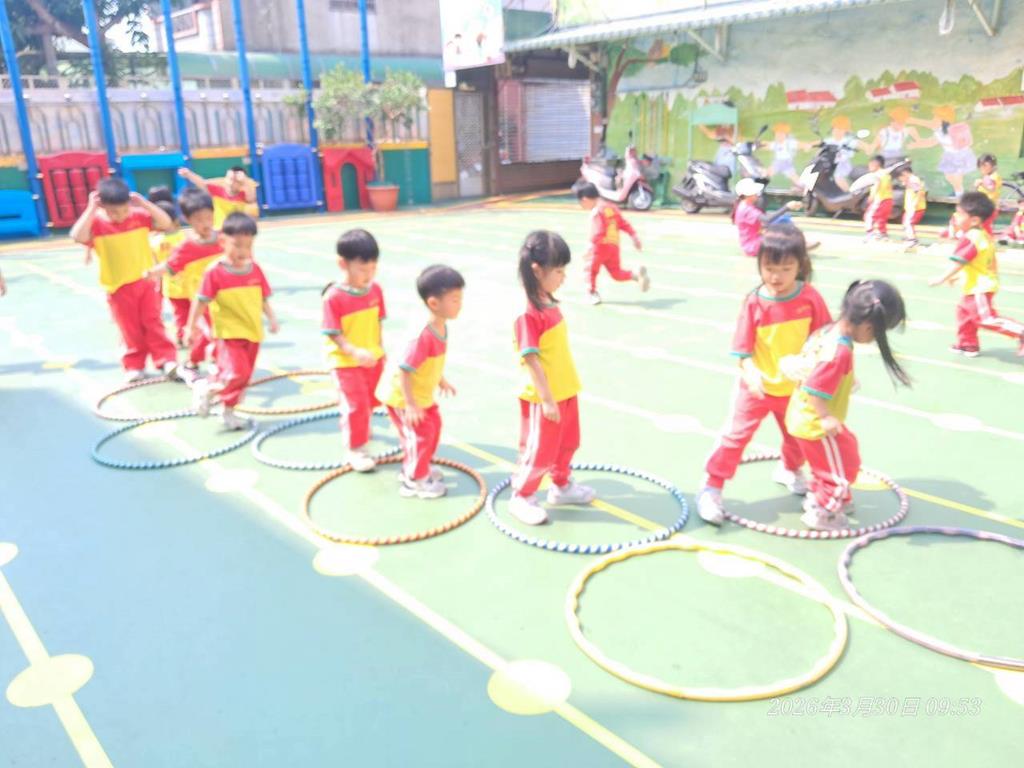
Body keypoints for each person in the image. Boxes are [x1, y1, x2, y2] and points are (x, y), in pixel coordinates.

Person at [696, 224, 832, 525]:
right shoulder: (755, 302)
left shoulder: (811, 298)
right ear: (759, 264)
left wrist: (830, 373)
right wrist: (751, 372)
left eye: (786, 269)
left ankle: (789, 469)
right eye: (769, 268)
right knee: (735, 437)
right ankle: (711, 488)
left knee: (798, 436)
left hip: (796, 389)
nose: (776, 277)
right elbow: (742, 352)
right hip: (756, 388)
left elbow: (825, 339)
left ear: (800, 265)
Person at [784, 280, 911, 531]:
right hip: (815, 423)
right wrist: (825, 417)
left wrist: (846, 379)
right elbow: (815, 386)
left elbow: (815, 368)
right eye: (878, 333)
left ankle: (827, 497)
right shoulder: (838, 351)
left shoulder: (828, 331)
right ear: (868, 326)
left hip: (802, 416)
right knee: (838, 473)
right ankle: (824, 512)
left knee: (843, 454)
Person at [509, 230, 594, 525]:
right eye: (558, 271)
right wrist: (546, 399)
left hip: (565, 389)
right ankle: (522, 496)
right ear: (537, 270)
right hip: (543, 396)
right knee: (540, 450)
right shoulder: (527, 313)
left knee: (568, 443)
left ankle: (561, 485)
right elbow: (531, 358)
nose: (563, 277)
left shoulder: (547, 301)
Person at [69, 177, 178, 382]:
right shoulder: (97, 224)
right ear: (102, 206)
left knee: (153, 322)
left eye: (124, 210)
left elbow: (166, 222)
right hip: (118, 287)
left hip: (146, 282)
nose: (120, 216)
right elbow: (77, 236)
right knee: (129, 328)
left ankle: (166, 359)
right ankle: (134, 365)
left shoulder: (139, 217)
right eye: (113, 212)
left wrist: (144, 203)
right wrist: (91, 208)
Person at [187, 212, 278, 430]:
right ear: (222, 241)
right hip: (229, 333)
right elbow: (201, 301)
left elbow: (263, 298)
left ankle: (228, 411)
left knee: (244, 377)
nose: (243, 252)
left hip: (253, 332)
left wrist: (272, 319)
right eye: (237, 245)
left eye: (248, 246)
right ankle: (208, 389)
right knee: (237, 372)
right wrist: (190, 327)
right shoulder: (215, 272)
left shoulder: (255, 269)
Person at [384, 265, 465, 499]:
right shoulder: (423, 336)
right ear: (434, 303)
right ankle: (414, 480)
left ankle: (419, 467)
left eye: (460, 298)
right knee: (419, 436)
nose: (460, 304)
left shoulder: (441, 327)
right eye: (455, 300)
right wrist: (409, 405)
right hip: (403, 397)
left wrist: (441, 380)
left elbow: (427, 363)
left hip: (421, 394)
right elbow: (404, 370)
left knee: (433, 427)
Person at [322, 229, 387, 472]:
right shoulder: (334, 297)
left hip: (372, 358)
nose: (368, 275)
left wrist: (380, 350)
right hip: (345, 362)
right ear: (343, 264)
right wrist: (353, 351)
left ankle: (360, 428)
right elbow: (333, 332)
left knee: (370, 401)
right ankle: (355, 448)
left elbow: (378, 321)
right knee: (356, 404)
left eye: (373, 268)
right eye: (362, 269)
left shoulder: (375, 290)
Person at [928, 192, 1024, 357]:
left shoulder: (972, 237)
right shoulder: (981, 235)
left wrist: (942, 278)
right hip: (976, 285)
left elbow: (960, 261)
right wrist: (958, 277)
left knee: (986, 319)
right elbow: (978, 262)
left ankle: (1021, 332)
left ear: (974, 220)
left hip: (980, 288)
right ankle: (967, 344)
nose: (955, 216)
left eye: (959, 214)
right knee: (964, 314)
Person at [144, 189, 223, 380]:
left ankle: (202, 360)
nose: (205, 223)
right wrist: (152, 273)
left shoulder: (224, 238)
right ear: (187, 220)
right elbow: (170, 265)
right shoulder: (188, 246)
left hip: (226, 296)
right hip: (204, 300)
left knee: (221, 331)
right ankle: (203, 361)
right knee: (212, 331)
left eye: (208, 217)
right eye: (199, 220)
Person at [574, 181, 649, 304]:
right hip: (614, 247)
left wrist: (590, 247)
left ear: (585, 199)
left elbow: (598, 230)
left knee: (590, 271)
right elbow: (623, 223)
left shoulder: (596, 211)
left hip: (600, 247)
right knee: (616, 273)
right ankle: (635, 275)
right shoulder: (611, 207)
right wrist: (634, 236)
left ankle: (592, 293)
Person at [732, 178, 803, 258]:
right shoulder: (747, 209)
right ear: (748, 195)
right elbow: (767, 220)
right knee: (786, 238)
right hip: (752, 246)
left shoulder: (746, 206)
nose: (757, 194)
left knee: (783, 221)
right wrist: (787, 207)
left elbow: (764, 221)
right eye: (755, 193)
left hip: (753, 243)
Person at [178, 166, 257, 229]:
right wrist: (188, 174)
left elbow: (251, 198)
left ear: (241, 183)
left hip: (236, 231)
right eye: (229, 179)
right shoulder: (218, 191)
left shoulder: (244, 195)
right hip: (218, 230)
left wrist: (245, 181)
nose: (231, 183)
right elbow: (202, 183)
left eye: (235, 180)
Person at [896, 165, 927, 252]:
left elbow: (919, 192)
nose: (900, 179)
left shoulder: (913, 180)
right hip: (911, 207)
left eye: (900, 176)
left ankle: (912, 240)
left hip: (915, 208)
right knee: (906, 223)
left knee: (908, 223)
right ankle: (909, 238)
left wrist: (915, 204)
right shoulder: (910, 180)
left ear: (905, 173)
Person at [863, 155, 894, 241]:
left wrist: (872, 196)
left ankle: (870, 233)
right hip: (888, 200)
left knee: (869, 216)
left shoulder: (877, 174)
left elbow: (877, 184)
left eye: (870, 165)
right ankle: (883, 234)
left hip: (880, 199)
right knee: (881, 218)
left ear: (875, 164)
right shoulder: (886, 174)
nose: (869, 167)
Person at [974, 154, 1002, 235]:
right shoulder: (987, 176)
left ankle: (987, 240)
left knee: (984, 226)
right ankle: (988, 239)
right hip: (984, 207)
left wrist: (981, 183)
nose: (982, 168)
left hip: (990, 208)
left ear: (992, 166)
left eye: (985, 165)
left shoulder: (994, 176)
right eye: (980, 166)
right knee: (984, 226)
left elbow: (991, 187)